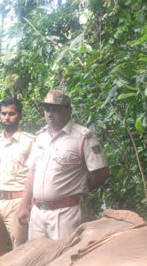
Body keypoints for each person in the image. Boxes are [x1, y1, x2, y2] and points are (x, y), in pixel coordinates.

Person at [18, 90, 109, 240]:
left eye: (55, 109)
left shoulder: (83, 137)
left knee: (64, 258)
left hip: (66, 213)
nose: (49, 114)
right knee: (37, 259)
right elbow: (32, 173)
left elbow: (101, 172)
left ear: (68, 110)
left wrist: (80, 188)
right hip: (37, 213)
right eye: (47, 109)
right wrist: (24, 205)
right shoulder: (40, 137)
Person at [0, 98, 35, 259]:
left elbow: (33, 174)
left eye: (11, 114)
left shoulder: (30, 142)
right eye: (3, 113)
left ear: (19, 115)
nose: (7, 117)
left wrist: (27, 204)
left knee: (20, 253)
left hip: (18, 201)